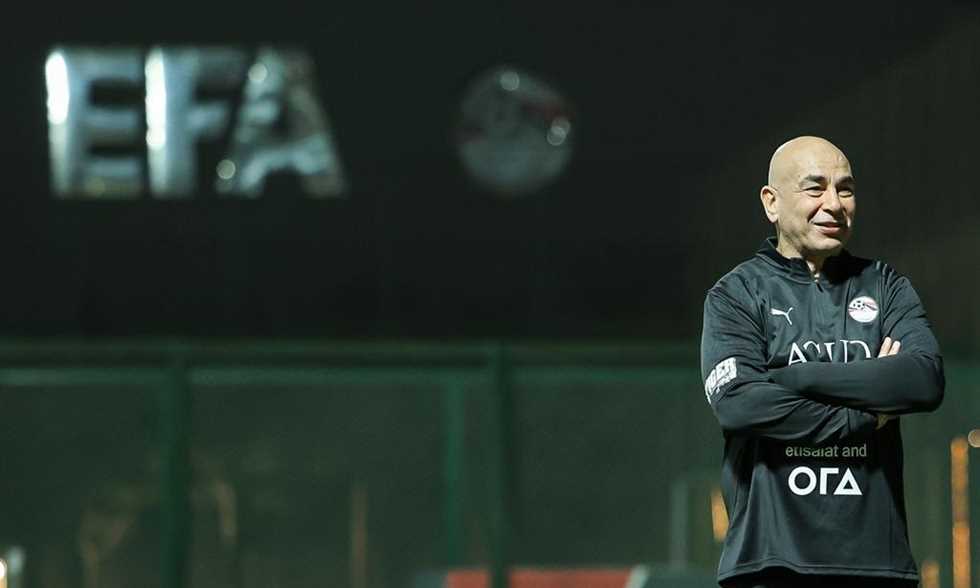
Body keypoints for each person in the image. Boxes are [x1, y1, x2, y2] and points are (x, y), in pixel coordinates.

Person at [700, 136, 944, 588]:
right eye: (815, 188)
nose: (834, 204)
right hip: (769, 565)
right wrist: (864, 416)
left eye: (845, 189)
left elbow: (922, 380)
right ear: (771, 202)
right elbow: (740, 404)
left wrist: (794, 377)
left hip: (877, 565)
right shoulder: (736, 294)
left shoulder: (886, 286)